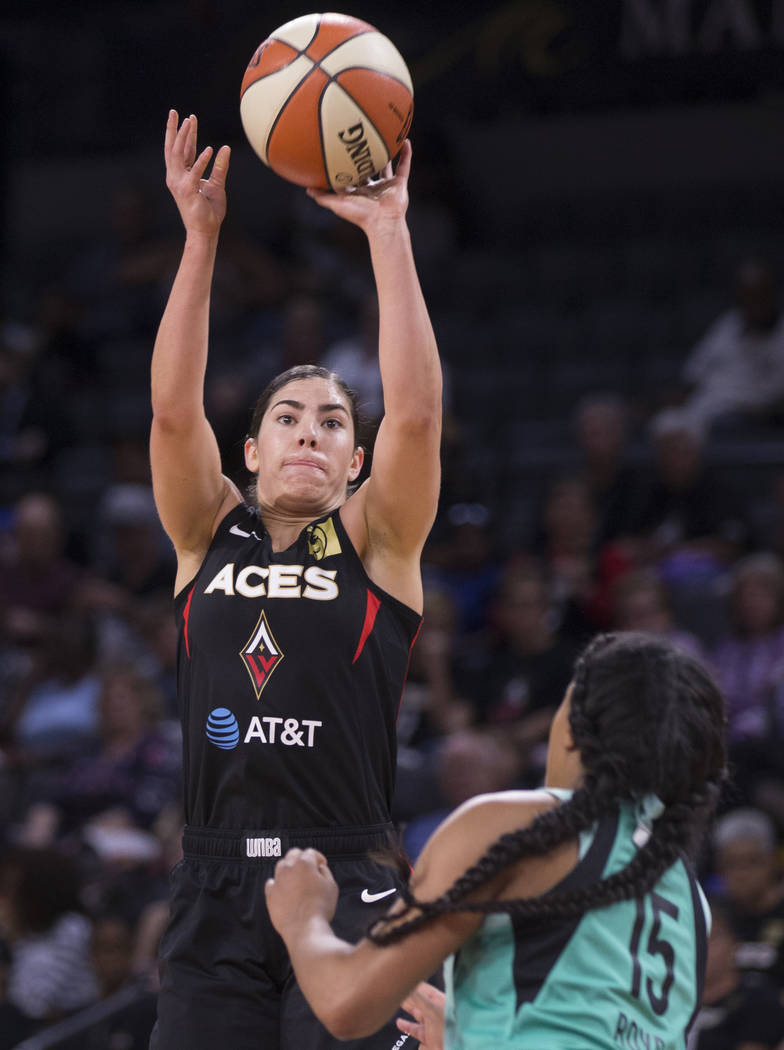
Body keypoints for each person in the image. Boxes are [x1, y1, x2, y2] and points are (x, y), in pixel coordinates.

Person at [148, 110, 442, 1050]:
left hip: (349, 875)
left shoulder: (382, 543)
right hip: (213, 884)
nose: (310, 430)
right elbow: (168, 410)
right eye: (288, 415)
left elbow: (419, 418)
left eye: (332, 421)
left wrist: (388, 229)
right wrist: (200, 240)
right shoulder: (206, 529)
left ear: (355, 462)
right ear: (252, 446)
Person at [265, 632, 728, 1050]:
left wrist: (304, 918)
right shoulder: (688, 897)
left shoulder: (518, 827)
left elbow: (348, 1003)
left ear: (570, 732)